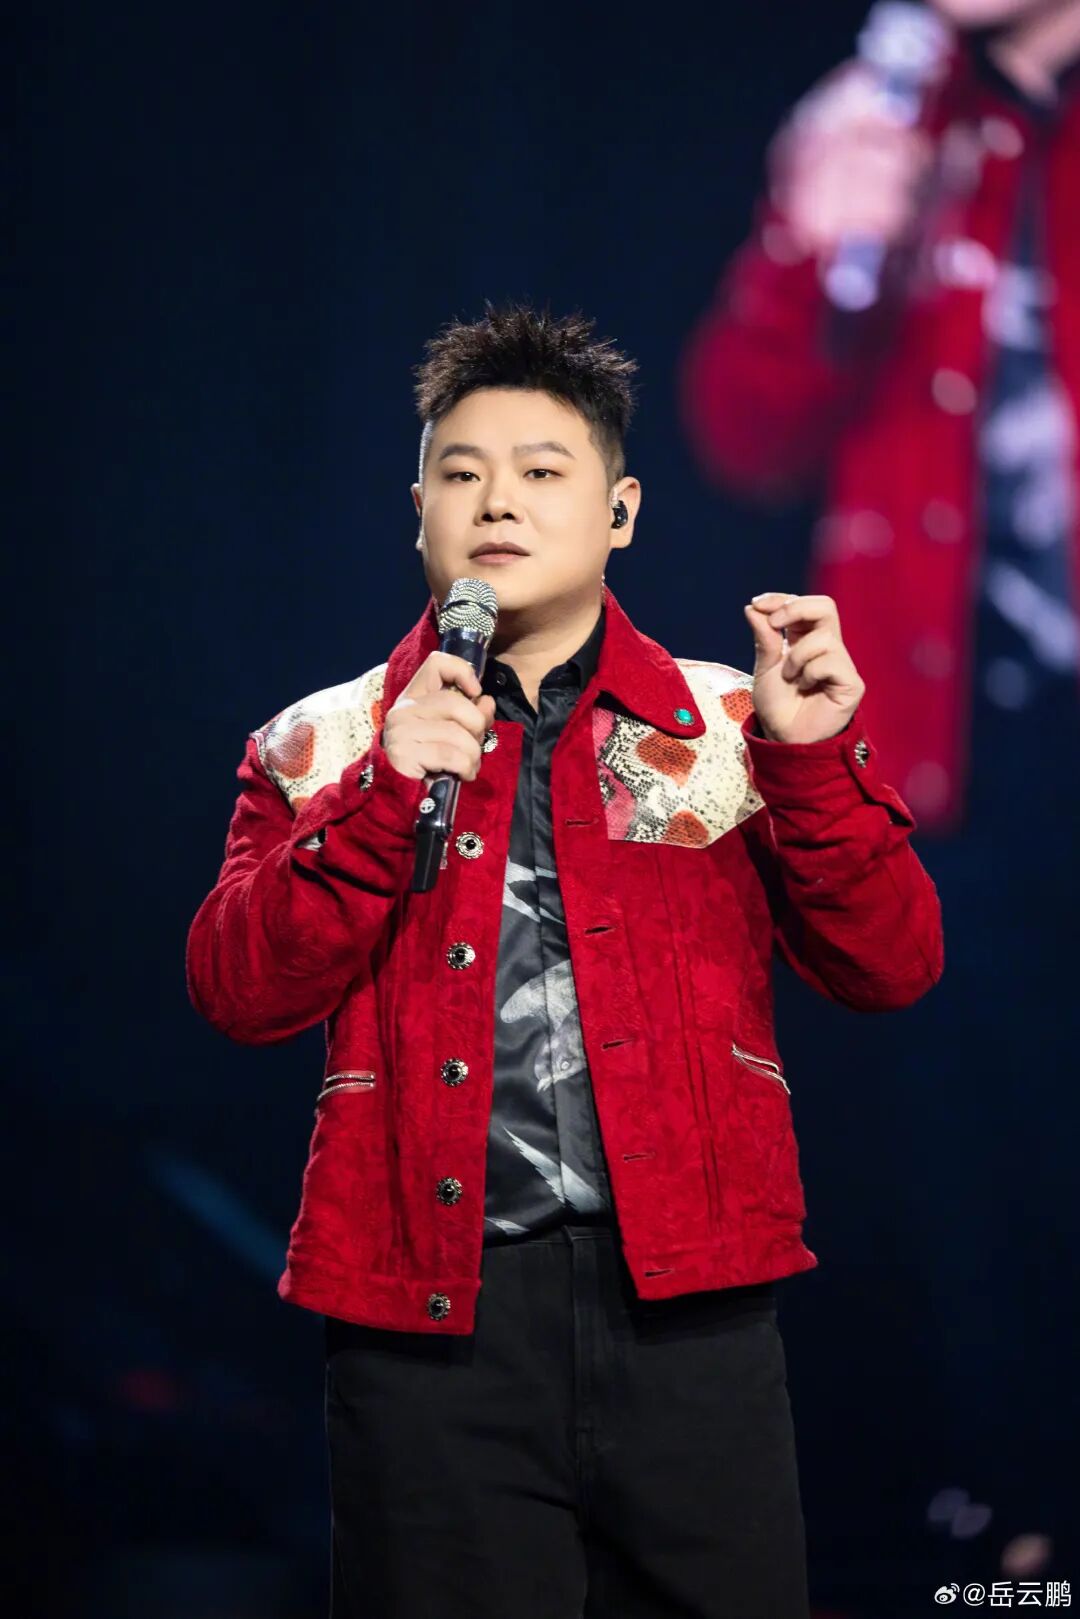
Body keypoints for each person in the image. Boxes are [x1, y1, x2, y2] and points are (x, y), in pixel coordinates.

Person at [187, 303, 943, 1619]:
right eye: (462, 473)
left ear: (621, 511)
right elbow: (239, 991)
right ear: (418, 510)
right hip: (429, 1335)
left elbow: (892, 966)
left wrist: (813, 763)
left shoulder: (730, 722)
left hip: (691, 1317)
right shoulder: (323, 741)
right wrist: (380, 798)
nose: (498, 501)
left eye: (543, 470)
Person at [679, 0, 1080, 1563]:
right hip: (954, 747)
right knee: (979, 1175)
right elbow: (747, 435)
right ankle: (1019, 1544)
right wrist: (811, 247)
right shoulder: (893, 124)